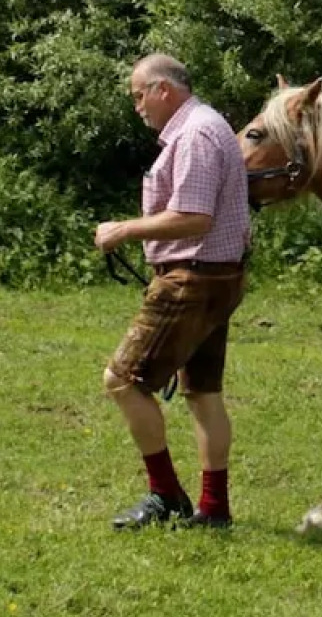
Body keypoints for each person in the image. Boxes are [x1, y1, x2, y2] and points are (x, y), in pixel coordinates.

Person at [93, 53, 251, 530]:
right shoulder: (207, 126)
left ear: (164, 90)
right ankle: (214, 509)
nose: (137, 105)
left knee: (122, 381)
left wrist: (124, 230)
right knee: (203, 393)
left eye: (139, 94)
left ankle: (165, 496)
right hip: (216, 277)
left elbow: (194, 217)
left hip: (191, 279)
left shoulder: (195, 134)